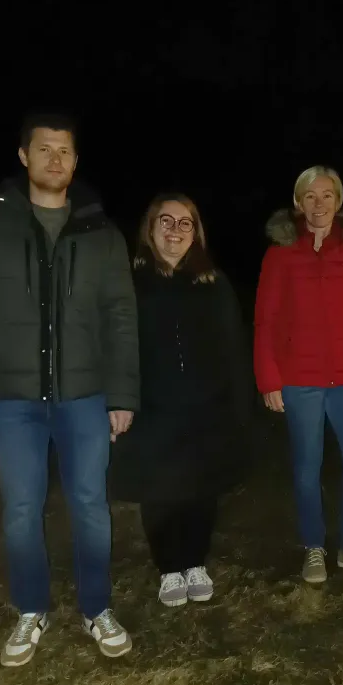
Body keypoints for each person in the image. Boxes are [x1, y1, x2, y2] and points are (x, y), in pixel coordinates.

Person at [0, 114, 139, 666]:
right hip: (12, 398)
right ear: (24, 156)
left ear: (76, 161)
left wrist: (122, 396)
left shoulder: (101, 232)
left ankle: (97, 607)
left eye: (65, 151)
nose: (56, 159)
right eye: (45, 149)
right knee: (22, 509)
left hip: (85, 396)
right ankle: (31, 609)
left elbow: (121, 318)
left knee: (91, 505)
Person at [108, 194, 251, 608]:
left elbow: (232, 346)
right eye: (166, 222)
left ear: (196, 232)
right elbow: (115, 346)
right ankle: (169, 566)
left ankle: (195, 562)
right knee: (160, 490)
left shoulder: (212, 283)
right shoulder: (129, 283)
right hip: (152, 406)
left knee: (200, 487)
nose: (175, 230)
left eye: (185, 223)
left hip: (206, 406)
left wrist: (238, 404)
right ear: (150, 230)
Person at [254, 166, 343, 585]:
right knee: (306, 467)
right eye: (310, 196)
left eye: (327, 195)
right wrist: (269, 378)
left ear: (338, 201)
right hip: (300, 379)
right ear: (298, 203)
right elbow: (266, 321)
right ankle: (313, 547)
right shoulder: (280, 255)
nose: (319, 204)